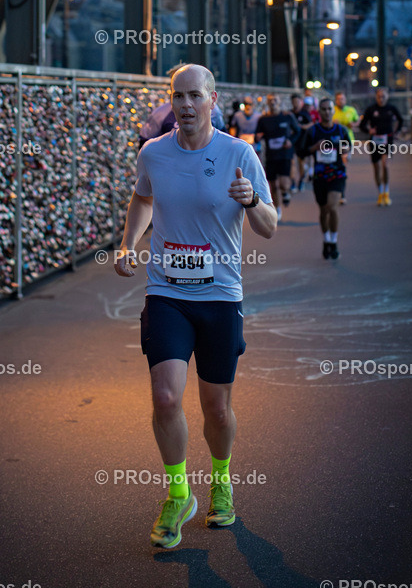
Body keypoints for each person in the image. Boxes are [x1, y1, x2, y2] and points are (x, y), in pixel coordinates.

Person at [115, 64, 276, 549]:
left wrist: (251, 200)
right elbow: (142, 199)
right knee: (165, 397)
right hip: (167, 292)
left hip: (220, 296)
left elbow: (269, 226)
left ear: (212, 100)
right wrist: (128, 244)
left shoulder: (238, 154)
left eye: (195, 97)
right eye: (178, 97)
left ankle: (222, 481)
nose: (185, 106)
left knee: (217, 409)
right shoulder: (153, 153)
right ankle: (178, 492)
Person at [303, 98, 352, 259]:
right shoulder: (313, 131)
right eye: (323, 109)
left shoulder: (340, 130)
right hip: (320, 176)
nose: (327, 112)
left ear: (333, 110)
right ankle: (326, 240)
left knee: (332, 207)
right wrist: (314, 147)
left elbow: (349, 147)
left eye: (330, 109)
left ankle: (334, 242)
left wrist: (345, 149)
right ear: (319, 112)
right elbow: (302, 151)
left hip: (337, 173)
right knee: (323, 211)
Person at [139, 66, 225, 148]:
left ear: (213, 100)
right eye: (179, 95)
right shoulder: (160, 113)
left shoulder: (214, 111)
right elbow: (144, 140)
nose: (187, 104)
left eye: (194, 95)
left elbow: (222, 132)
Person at [255, 93, 300, 220]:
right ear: (267, 103)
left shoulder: (287, 116)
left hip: (285, 154)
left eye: (275, 100)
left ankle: (286, 192)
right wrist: (258, 137)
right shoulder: (263, 119)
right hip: (271, 156)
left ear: (279, 102)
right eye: (270, 100)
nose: (273, 102)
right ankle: (277, 209)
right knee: (273, 186)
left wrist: (290, 140)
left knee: (283, 185)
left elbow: (297, 131)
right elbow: (257, 135)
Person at [359, 86, 403, 206]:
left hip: (387, 139)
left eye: (383, 96)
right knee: (377, 167)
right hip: (374, 141)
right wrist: (369, 130)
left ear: (387, 96)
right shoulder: (371, 109)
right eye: (379, 97)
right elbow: (362, 125)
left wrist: (397, 132)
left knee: (385, 165)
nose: (381, 99)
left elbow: (401, 120)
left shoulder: (391, 108)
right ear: (376, 97)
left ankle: (386, 193)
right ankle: (380, 193)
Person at [332, 91, 360, 204]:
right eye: (338, 99)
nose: (340, 101)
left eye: (342, 99)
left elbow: (357, 120)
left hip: (347, 141)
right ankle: (334, 190)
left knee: (343, 165)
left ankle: (341, 193)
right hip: (333, 142)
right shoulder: (331, 110)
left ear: (345, 100)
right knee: (333, 167)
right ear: (336, 100)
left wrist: (353, 124)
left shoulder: (351, 110)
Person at [290, 93, 313, 191]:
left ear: (301, 102)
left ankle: (301, 180)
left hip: (302, 141)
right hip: (292, 141)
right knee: (292, 162)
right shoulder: (290, 114)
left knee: (301, 162)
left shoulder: (305, 113)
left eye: (297, 101)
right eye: (293, 101)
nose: (295, 103)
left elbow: (311, 124)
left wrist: (302, 127)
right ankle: (293, 182)